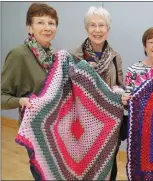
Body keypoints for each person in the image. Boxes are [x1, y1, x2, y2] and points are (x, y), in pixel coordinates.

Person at [1, 3, 58, 180]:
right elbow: (3, 96)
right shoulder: (19, 55)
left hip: (56, 127)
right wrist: (20, 101)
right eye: (40, 22)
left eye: (51, 23)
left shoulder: (56, 56)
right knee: (43, 175)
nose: (47, 28)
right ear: (29, 27)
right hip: (34, 128)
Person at [70, 6, 124, 181]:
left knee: (108, 166)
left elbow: (119, 86)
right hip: (81, 124)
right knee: (81, 167)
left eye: (102, 25)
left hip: (108, 124)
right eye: (93, 25)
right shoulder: (74, 57)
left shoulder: (115, 58)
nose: (97, 30)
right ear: (87, 28)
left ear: (108, 30)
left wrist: (118, 92)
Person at [122, 26, 153, 104]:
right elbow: (127, 99)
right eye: (151, 42)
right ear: (145, 46)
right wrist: (125, 100)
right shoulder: (133, 69)